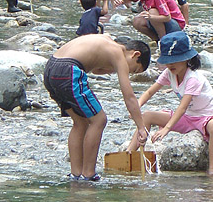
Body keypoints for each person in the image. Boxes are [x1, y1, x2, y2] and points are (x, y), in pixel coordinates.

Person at [43, 34, 151, 181]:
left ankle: (75, 174)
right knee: (99, 120)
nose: (129, 73)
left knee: (80, 122)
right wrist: (140, 127)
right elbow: (129, 97)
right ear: (135, 54)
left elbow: (96, 70)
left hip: (51, 69)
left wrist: (116, 68)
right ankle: (89, 173)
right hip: (68, 70)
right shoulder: (118, 53)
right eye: (134, 70)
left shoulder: (107, 42)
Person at [127, 31, 213, 175]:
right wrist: (136, 108)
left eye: (175, 60)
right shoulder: (169, 73)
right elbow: (149, 92)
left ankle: (212, 170)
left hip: (205, 117)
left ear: (186, 59)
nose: (170, 64)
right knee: (147, 116)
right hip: (186, 118)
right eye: (167, 60)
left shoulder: (193, 78)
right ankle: (128, 153)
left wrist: (166, 128)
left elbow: (183, 106)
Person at [119, 0, 186, 42]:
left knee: (152, 12)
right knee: (137, 21)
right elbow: (128, 0)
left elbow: (167, 17)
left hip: (175, 24)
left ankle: (163, 40)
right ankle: (156, 40)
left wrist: (150, 17)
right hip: (162, 22)